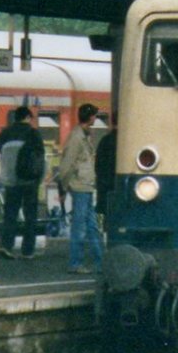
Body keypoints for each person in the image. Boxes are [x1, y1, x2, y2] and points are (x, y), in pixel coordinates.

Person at [57, 103, 103, 274]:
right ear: (90, 117)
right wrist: (65, 185)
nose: (95, 119)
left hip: (86, 186)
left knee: (91, 225)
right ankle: (75, 263)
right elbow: (66, 164)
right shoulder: (77, 138)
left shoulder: (83, 135)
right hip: (80, 186)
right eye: (95, 116)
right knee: (81, 226)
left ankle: (100, 261)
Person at [0, 106, 46, 259]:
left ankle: (6, 246)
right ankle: (27, 250)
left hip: (11, 180)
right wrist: (39, 177)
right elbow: (40, 157)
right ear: (28, 117)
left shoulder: (6, 133)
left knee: (10, 214)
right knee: (30, 216)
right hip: (29, 180)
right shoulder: (33, 133)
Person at [94, 115, 117, 222]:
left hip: (105, 188)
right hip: (120, 187)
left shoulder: (104, 141)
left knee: (106, 220)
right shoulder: (128, 142)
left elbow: (98, 165)